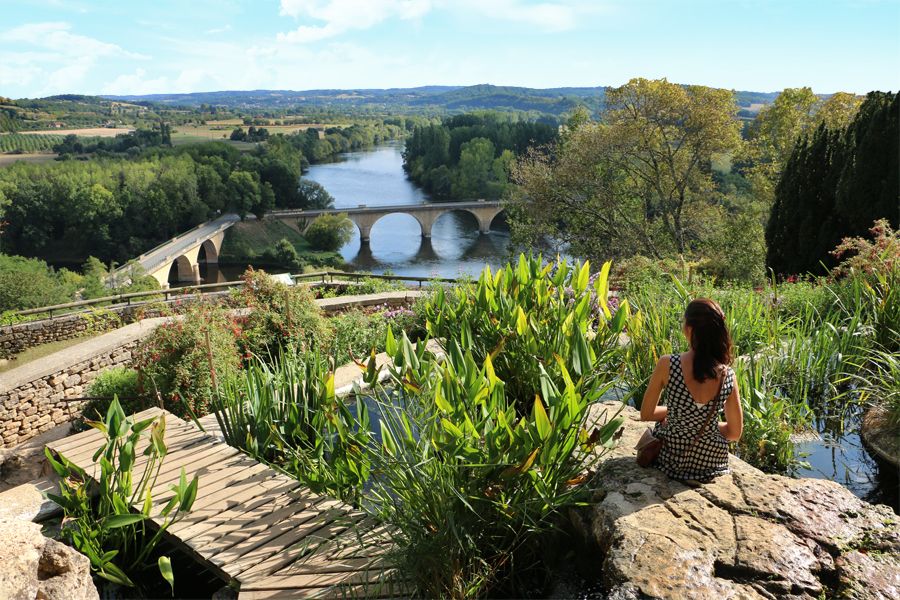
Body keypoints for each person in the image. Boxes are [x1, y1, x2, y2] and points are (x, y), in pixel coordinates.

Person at [640, 298, 743, 482]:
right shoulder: (728, 375)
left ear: (689, 329)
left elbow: (646, 413)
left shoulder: (668, 364)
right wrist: (705, 422)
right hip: (712, 462)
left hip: (673, 460)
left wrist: (679, 415)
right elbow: (734, 433)